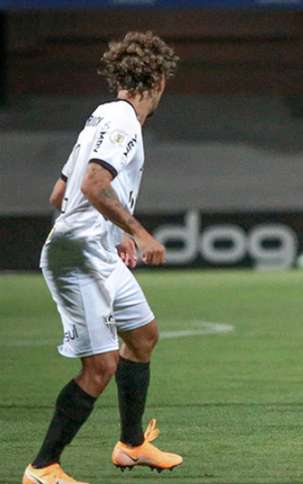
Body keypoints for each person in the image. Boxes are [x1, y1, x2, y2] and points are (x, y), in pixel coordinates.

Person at [24, 32, 182, 484]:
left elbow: (61, 193)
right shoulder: (124, 122)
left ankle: (131, 446)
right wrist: (137, 231)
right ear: (158, 81)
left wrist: (111, 234)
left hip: (95, 250)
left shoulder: (99, 116)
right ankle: (42, 468)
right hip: (76, 257)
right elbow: (93, 185)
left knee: (143, 337)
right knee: (100, 366)